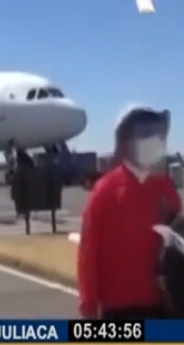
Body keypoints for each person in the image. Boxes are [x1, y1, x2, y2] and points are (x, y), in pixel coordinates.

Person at [78, 106, 181, 319]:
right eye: (144, 133)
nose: (153, 141)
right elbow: (88, 252)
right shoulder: (104, 191)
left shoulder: (165, 188)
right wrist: (89, 306)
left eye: (156, 134)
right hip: (119, 308)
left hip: (164, 305)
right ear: (125, 141)